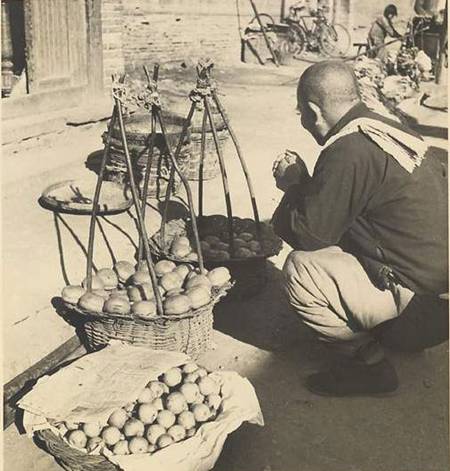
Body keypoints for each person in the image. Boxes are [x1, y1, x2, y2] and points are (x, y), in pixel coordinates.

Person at [272, 60, 448, 397]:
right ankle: (392, 323)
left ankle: (368, 365)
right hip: (439, 307)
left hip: (421, 317)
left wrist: (293, 186)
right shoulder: (387, 127)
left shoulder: (348, 150)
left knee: (301, 268)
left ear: (313, 111)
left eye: (302, 115)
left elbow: (308, 236)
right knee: (346, 237)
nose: (305, 124)